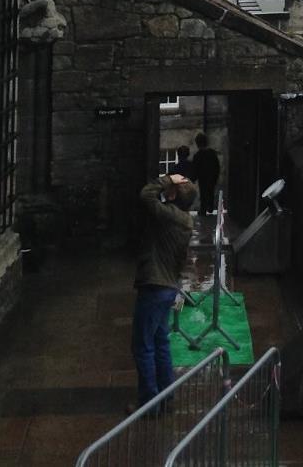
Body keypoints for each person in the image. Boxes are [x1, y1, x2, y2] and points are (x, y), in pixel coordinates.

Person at [132, 172, 197, 407]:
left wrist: (169, 179)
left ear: (173, 195)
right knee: (160, 342)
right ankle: (166, 397)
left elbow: (146, 196)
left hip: (155, 285)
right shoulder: (182, 219)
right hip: (168, 286)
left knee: (143, 345)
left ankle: (149, 403)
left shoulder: (167, 215)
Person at [190, 133, 220, 217]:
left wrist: (192, 178)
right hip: (211, 176)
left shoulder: (198, 155)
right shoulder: (212, 153)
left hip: (202, 177)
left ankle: (203, 209)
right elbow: (217, 166)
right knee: (210, 191)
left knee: (203, 193)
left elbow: (195, 168)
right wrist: (216, 176)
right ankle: (210, 206)